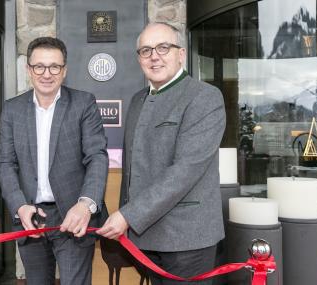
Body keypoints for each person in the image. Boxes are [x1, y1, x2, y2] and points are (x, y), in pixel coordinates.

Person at [97, 22, 226, 284]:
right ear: (139, 59)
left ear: (181, 54)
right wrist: (126, 219)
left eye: (163, 47)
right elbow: (132, 171)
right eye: (146, 50)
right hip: (144, 237)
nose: (154, 56)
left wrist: (128, 215)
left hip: (186, 238)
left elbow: (185, 171)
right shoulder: (137, 100)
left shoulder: (205, 97)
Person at [0, 36, 108, 285]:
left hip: (73, 216)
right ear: (29, 70)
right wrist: (19, 206)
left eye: (54, 66)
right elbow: (5, 163)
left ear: (64, 70)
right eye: (39, 66)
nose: (47, 74)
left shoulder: (83, 103)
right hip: (30, 216)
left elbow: (97, 157)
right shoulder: (11, 109)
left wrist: (85, 205)